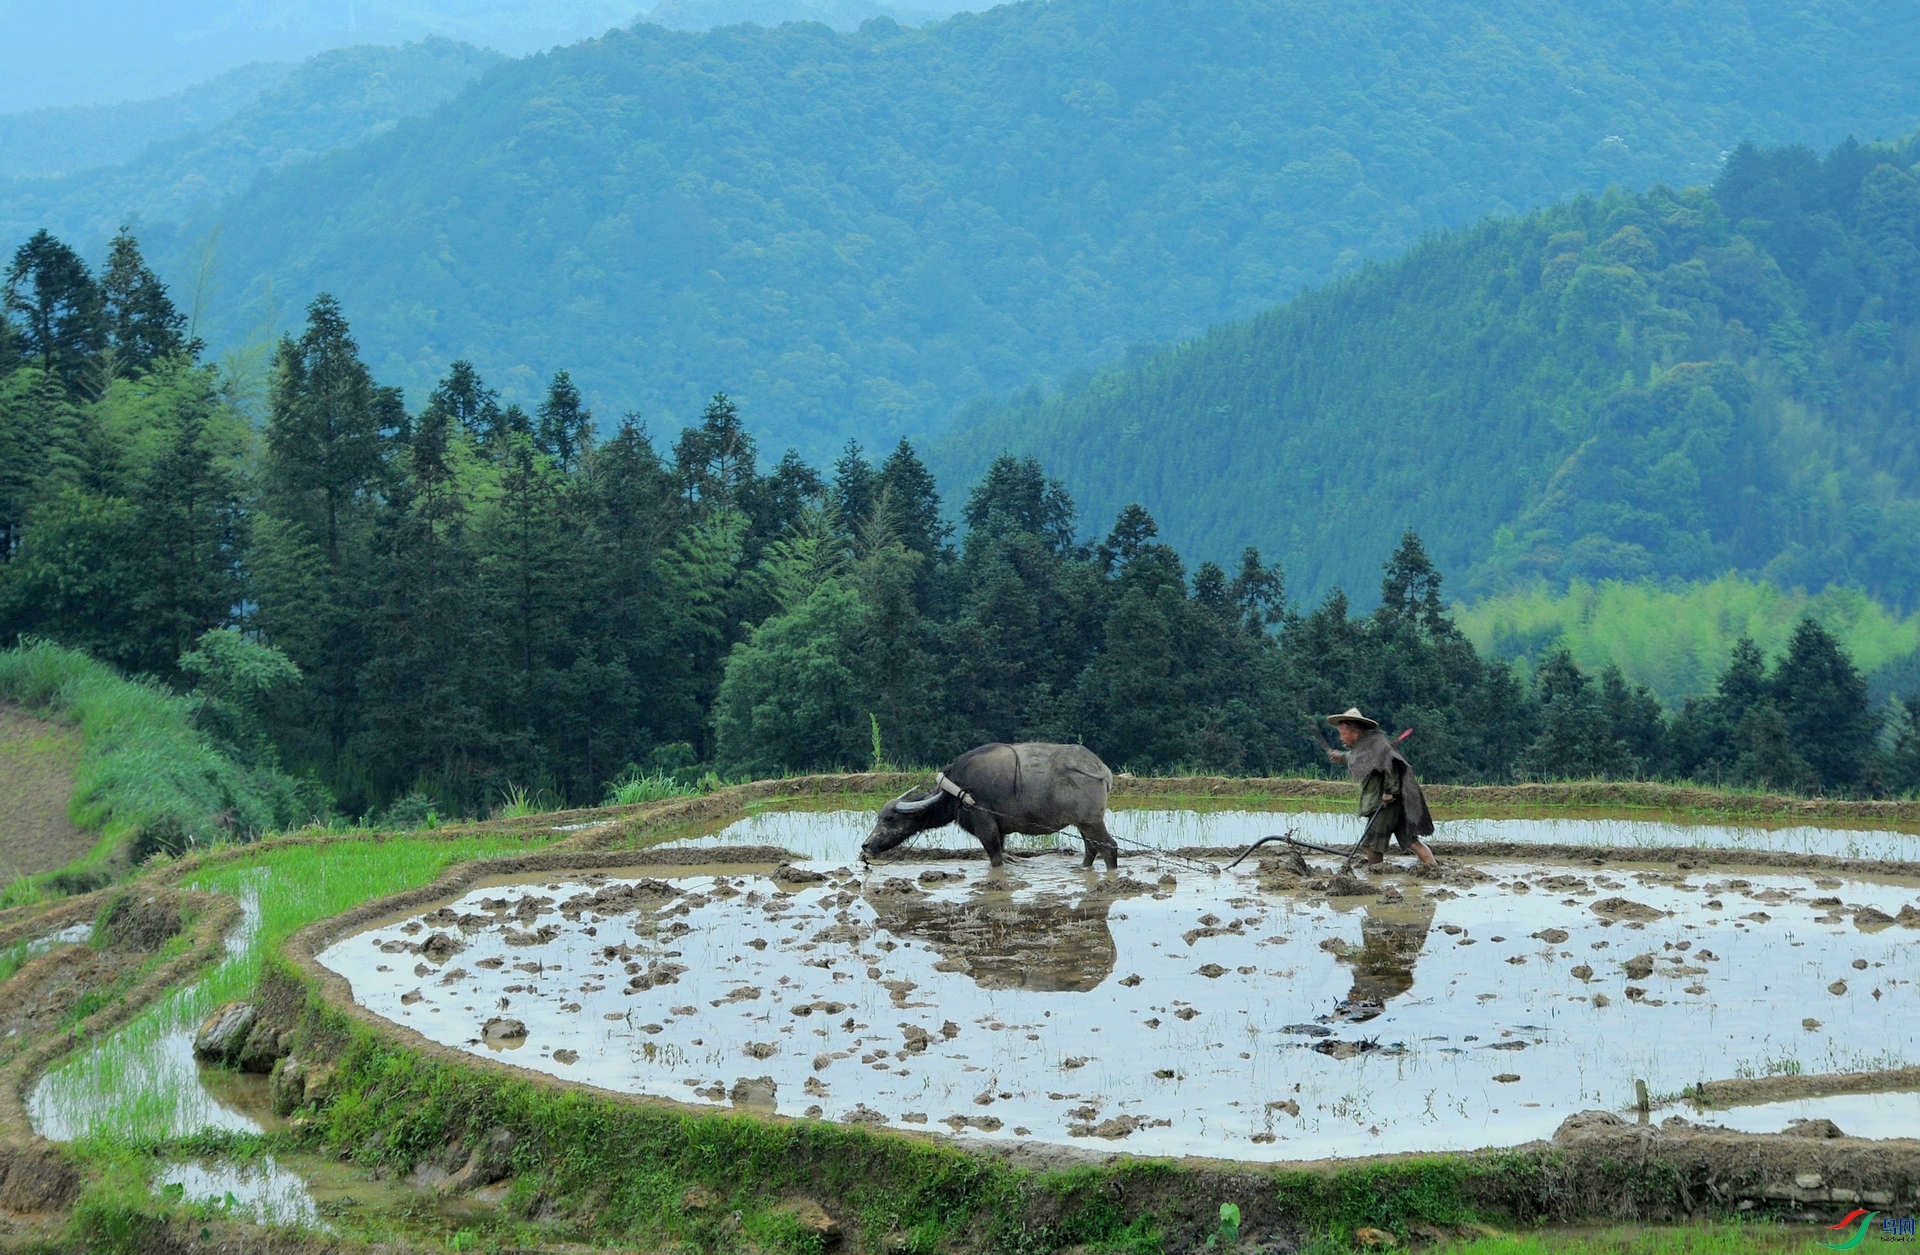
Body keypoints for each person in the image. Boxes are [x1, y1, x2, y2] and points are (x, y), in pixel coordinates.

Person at [1324, 707, 1437, 866]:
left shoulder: (1374, 745)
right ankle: (1433, 868)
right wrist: (1341, 757)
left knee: (1374, 844)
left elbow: (1390, 765)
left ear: (1354, 731)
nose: (1341, 738)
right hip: (1395, 804)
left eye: (1342, 734)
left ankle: (1374, 877)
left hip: (1385, 804)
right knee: (1411, 841)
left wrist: (1389, 792)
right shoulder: (1367, 747)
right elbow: (1359, 758)